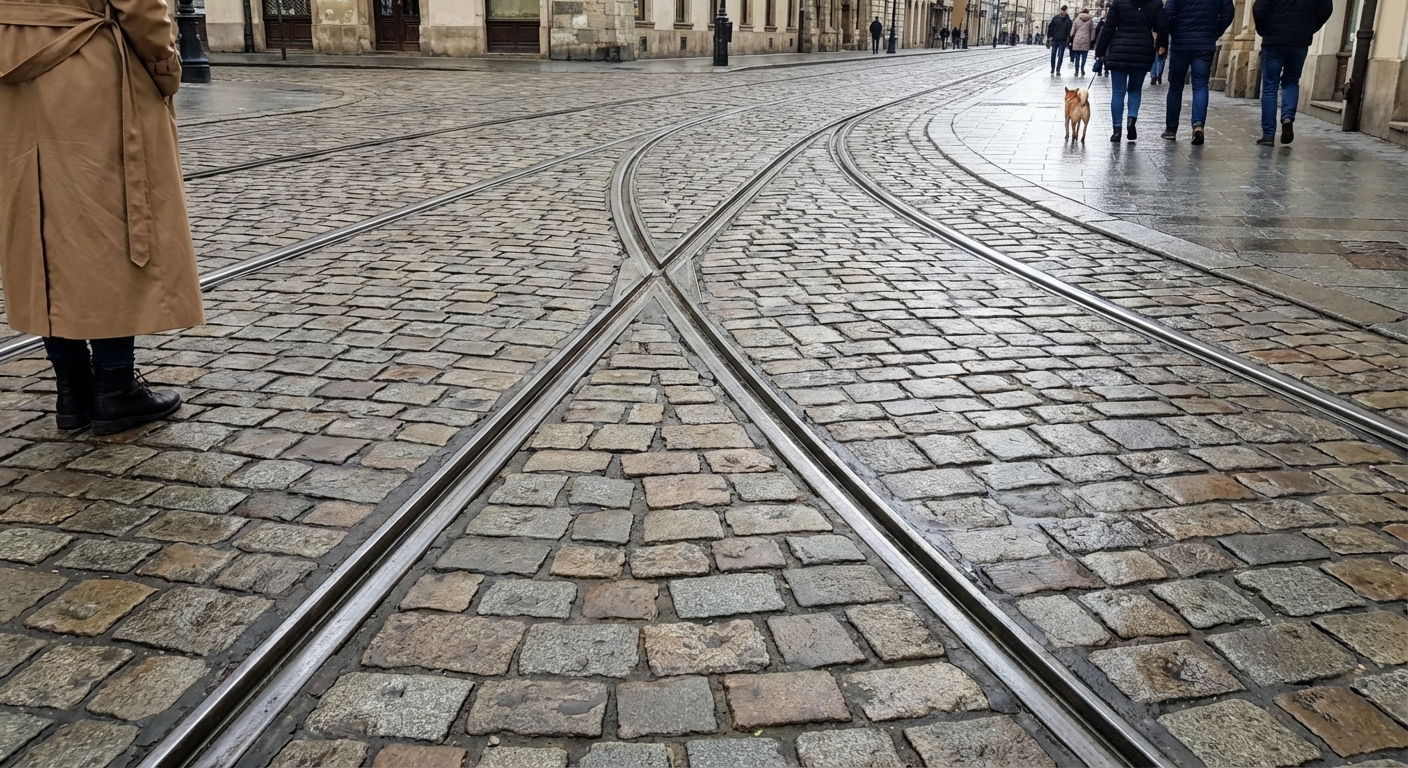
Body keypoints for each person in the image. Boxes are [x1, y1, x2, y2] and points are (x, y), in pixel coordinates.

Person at [0, 0, 203, 434]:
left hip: (8, 67)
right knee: (108, 226)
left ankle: (71, 391)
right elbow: (141, 7)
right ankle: (114, 388)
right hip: (86, 65)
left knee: (37, 228)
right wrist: (166, 65)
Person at [1253, 0, 1333, 145]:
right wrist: (1309, 27)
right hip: (1299, 40)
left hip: (1274, 40)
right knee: (1291, 81)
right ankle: (1288, 117)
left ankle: (1268, 135)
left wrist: (1264, 30)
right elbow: (1326, 9)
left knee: (1270, 87)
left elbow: (1259, 9)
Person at [1160, 0, 1234, 143]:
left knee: (1175, 87)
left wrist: (1175, 32)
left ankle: (1171, 129)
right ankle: (1198, 125)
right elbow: (1228, 13)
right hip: (1205, 43)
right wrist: (1215, 31)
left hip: (1181, 43)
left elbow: (1168, 14)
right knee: (1200, 85)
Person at [1095, 0, 1167, 142]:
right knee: (1134, 90)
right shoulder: (1155, 3)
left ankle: (1116, 131)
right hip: (1142, 50)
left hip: (1119, 50)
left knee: (1118, 92)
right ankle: (1131, 120)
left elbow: (1108, 27)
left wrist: (1100, 50)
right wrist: (1162, 45)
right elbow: (1163, 27)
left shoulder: (1119, 2)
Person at [1069, 8, 1096, 76]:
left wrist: (1071, 36)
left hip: (1077, 40)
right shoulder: (1090, 20)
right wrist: (1092, 39)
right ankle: (1082, 69)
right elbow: (1092, 30)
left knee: (1077, 57)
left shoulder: (1077, 19)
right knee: (1084, 56)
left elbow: (1072, 31)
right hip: (1086, 40)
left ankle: (1076, 70)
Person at [1047, 5, 1073, 74]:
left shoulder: (1068, 20)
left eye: (1064, 10)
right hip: (1055, 39)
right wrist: (1050, 36)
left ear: (1066, 11)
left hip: (1063, 40)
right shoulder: (1055, 18)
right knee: (1054, 54)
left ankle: (1058, 69)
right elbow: (1050, 27)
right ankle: (1053, 68)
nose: (1063, 12)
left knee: (1060, 55)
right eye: (1062, 10)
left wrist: (1068, 39)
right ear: (1060, 10)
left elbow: (1069, 31)